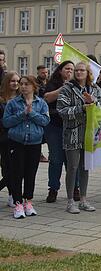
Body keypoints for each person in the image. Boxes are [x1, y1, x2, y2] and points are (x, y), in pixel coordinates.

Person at [57, 61, 101, 214]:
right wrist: (82, 108)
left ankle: (83, 199)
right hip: (72, 134)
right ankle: (70, 201)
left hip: (89, 134)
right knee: (72, 167)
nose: (78, 73)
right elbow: (61, 110)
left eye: (82, 70)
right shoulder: (67, 89)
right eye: (76, 70)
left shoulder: (96, 89)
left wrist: (94, 102)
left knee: (85, 167)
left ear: (87, 72)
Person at [3, 75, 49, 218]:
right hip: (17, 143)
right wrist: (22, 114)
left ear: (34, 87)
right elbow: (6, 122)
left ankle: (28, 201)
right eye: (21, 84)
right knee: (17, 173)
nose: (23, 86)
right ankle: (17, 204)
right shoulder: (13, 103)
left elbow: (45, 121)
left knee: (31, 173)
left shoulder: (41, 103)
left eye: (26, 84)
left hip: (34, 143)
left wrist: (32, 113)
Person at [41, 61, 74, 203]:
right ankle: (53, 189)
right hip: (55, 125)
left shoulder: (77, 84)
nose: (70, 72)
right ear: (60, 71)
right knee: (55, 159)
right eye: (67, 69)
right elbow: (47, 98)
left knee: (72, 160)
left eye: (72, 69)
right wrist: (63, 88)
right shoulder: (53, 83)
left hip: (72, 126)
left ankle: (75, 188)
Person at [0, 72, 21, 207]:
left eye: (17, 81)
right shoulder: (1, 99)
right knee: (6, 166)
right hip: (3, 137)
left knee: (16, 168)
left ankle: (13, 194)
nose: (15, 83)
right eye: (12, 81)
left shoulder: (21, 98)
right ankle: (11, 194)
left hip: (17, 137)